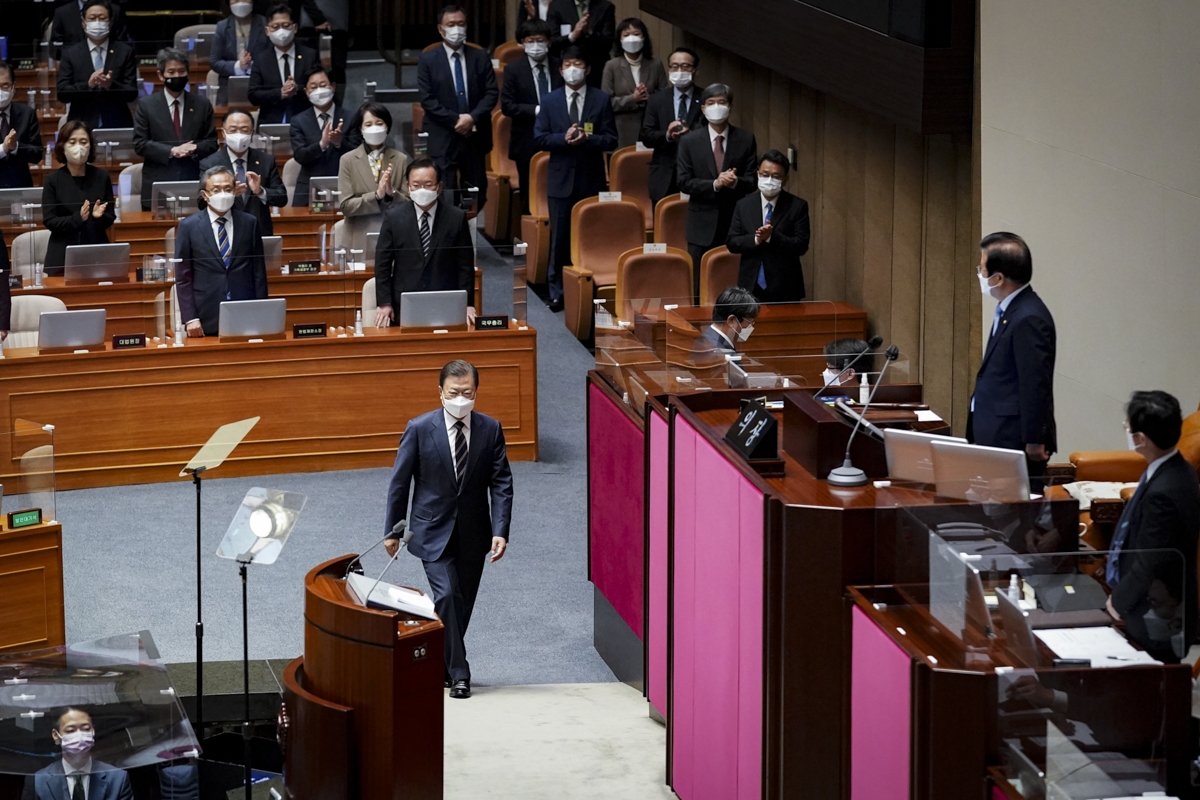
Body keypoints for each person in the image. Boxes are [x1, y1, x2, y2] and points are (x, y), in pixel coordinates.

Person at [383, 359, 513, 699]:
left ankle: (439, 667)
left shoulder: (490, 429)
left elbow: (501, 484)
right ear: (440, 392)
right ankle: (460, 673)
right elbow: (400, 483)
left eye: (467, 393)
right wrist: (392, 530)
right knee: (447, 596)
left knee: (461, 604)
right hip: (430, 531)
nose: (460, 399)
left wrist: (501, 530)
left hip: (474, 532)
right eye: (453, 392)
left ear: (476, 393)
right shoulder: (419, 428)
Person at [1105, 391, 1200, 663]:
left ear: (1141, 439)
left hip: (1154, 619)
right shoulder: (1177, 469)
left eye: (1128, 428)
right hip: (1151, 606)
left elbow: (1149, 563)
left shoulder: (1165, 493)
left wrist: (1118, 602)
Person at [532, 46, 618, 311]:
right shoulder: (549, 100)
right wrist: (564, 139)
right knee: (559, 239)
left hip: (591, 179)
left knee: (591, 237)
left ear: (588, 69)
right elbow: (539, 137)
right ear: (560, 70)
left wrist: (588, 138)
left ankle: (588, 290)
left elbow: (612, 139)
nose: (572, 69)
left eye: (577, 63)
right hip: (560, 181)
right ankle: (557, 291)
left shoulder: (601, 99)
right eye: (567, 64)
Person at [967, 231, 1056, 480]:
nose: (979, 275)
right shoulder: (1010, 310)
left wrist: (1034, 440)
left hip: (1012, 439)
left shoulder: (1029, 318)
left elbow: (1035, 384)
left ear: (998, 278)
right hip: (995, 431)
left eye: (982, 270)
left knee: (1010, 515)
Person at [677, 83, 757, 299]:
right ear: (703, 108)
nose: (716, 107)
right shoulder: (689, 141)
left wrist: (734, 182)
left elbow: (752, 181)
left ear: (730, 107)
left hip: (736, 222)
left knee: (734, 282)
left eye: (722, 102)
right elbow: (683, 182)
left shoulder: (746, 139)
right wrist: (715, 184)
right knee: (698, 285)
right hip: (701, 224)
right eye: (711, 103)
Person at [373, 158, 474, 327]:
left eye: (428, 185)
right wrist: (384, 303)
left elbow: (465, 266)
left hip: (445, 300)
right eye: (416, 185)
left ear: (439, 187)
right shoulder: (394, 218)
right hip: (403, 303)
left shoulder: (456, 218)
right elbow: (382, 263)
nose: (422, 190)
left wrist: (468, 304)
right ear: (408, 186)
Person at [417, 5, 498, 212]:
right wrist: (456, 120)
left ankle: (469, 233)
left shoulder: (480, 56)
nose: (456, 29)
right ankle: (449, 238)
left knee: (477, 191)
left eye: (461, 24)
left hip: (474, 135)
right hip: (443, 135)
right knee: (446, 192)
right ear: (440, 29)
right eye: (451, 25)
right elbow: (427, 99)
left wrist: (471, 118)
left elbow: (491, 94)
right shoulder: (428, 59)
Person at [174, 165, 268, 337]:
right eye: (216, 190)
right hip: (204, 316)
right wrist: (190, 318)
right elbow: (183, 278)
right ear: (205, 195)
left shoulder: (250, 223)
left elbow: (259, 273)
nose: (223, 194)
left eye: (227, 189)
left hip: (245, 312)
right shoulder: (188, 227)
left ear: (235, 191)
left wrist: (260, 310)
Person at [133, 48, 219, 212]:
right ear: (160, 75)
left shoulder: (202, 104)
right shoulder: (146, 105)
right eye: (171, 72)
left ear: (187, 73)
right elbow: (139, 143)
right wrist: (172, 150)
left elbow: (212, 143)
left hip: (194, 181)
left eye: (181, 71)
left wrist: (195, 148)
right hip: (158, 184)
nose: (176, 76)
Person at [727, 149, 810, 302]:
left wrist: (772, 237)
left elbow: (801, 245)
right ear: (758, 174)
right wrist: (757, 239)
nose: (769, 180)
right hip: (750, 286)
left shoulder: (797, 206)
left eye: (776, 176)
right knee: (749, 326)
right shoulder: (743, 205)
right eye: (765, 175)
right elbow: (732, 242)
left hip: (785, 287)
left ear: (785, 179)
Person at [500, 18, 562, 216]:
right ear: (523, 43)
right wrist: (538, 110)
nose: (535, 45)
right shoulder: (513, 70)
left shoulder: (560, 67)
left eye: (540, 40)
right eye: (530, 40)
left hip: (558, 140)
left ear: (549, 42)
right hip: (527, 141)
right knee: (530, 193)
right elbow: (508, 106)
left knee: (558, 191)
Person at [41, 120, 114, 275]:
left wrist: (97, 217)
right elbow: (50, 220)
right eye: (72, 142)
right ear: (62, 146)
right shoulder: (53, 180)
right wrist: (78, 218)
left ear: (90, 146)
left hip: (97, 251)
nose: (78, 147)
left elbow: (110, 217)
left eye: (83, 142)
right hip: (62, 255)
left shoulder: (102, 177)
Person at [199, 110, 286, 236]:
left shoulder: (266, 160)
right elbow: (201, 202)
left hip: (258, 232)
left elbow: (282, 198)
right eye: (233, 130)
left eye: (244, 130)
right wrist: (226, 194)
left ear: (251, 134)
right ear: (223, 133)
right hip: (223, 231)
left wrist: (260, 191)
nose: (238, 134)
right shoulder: (209, 163)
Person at [337, 102, 409, 253]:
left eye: (379, 123)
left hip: (393, 238)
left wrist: (391, 194)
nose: (374, 128)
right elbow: (345, 206)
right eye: (368, 124)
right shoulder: (347, 160)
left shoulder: (400, 159)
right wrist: (376, 196)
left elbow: (409, 204)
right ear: (360, 129)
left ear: (387, 127)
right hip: (357, 239)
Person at [56, 0, 138, 130]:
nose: (97, 22)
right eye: (92, 18)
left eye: (102, 18)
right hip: (81, 126)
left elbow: (132, 92)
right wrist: (88, 85)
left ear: (110, 22)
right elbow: (62, 93)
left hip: (117, 123)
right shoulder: (70, 53)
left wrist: (111, 85)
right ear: (83, 23)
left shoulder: (124, 51)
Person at [21, 707, 133, 800]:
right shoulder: (38, 781)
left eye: (86, 729)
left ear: (93, 730)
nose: (80, 736)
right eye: (70, 730)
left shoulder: (118, 779)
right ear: (56, 735)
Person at [640, 47, 702, 210]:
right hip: (663, 176)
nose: (679, 71)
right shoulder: (656, 99)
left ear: (695, 70)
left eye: (685, 66)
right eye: (674, 66)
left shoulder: (705, 99)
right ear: (668, 70)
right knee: (663, 230)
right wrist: (667, 135)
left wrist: (690, 135)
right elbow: (646, 136)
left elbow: (711, 133)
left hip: (697, 175)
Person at [289, 65, 357, 206]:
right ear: (306, 92)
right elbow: (300, 155)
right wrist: (322, 145)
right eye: (313, 87)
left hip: (345, 185)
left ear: (332, 87)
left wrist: (339, 143)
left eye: (323, 85)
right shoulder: (298, 121)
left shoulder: (351, 117)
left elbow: (359, 154)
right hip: (309, 188)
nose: (318, 90)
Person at [600, 17, 665, 150]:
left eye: (636, 34)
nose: (632, 38)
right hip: (623, 131)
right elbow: (606, 102)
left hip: (651, 128)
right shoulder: (612, 66)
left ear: (644, 37)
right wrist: (633, 99)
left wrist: (649, 97)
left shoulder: (655, 64)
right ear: (620, 39)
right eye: (626, 35)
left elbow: (665, 95)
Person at [248, 3, 318, 125]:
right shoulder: (261, 59)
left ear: (295, 28)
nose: (281, 31)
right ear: (267, 31)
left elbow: (318, 88)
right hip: (271, 121)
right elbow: (253, 95)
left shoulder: (310, 55)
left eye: (286, 25)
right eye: (275, 26)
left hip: (306, 121)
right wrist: (280, 92)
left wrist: (296, 89)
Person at [209, 0, 268, 106]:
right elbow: (214, 61)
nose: (240, 2)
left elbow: (272, 57)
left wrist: (253, 67)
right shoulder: (222, 26)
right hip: (228, 91)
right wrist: (238, 66)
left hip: (261, 86)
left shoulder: (265, 24)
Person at [546, 0, 614, 89]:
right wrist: (573, 35)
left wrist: (590, 32)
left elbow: (608, 43)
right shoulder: (556, 6)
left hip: (596, 70)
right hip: (565, 70)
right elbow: (552, 43)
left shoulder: (605, 6)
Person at [0, 61, 44, 189]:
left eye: (5, 85)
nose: (1, 91)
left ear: (14, 86)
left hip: (19, 187)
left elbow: (37, 154)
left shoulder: (26, 114)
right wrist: (4, 148)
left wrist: (16, 147)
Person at [694, 285, 758, 353]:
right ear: (731, 320)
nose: (750, 328)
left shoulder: (705, 339)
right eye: (749, 323)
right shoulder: (721, 353)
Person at [50, 0, 129, 51]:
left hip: (109, 65)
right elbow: (55, 46)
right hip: (74, 68)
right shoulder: (62, 12)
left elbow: (122, 41)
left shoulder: (115, 10)